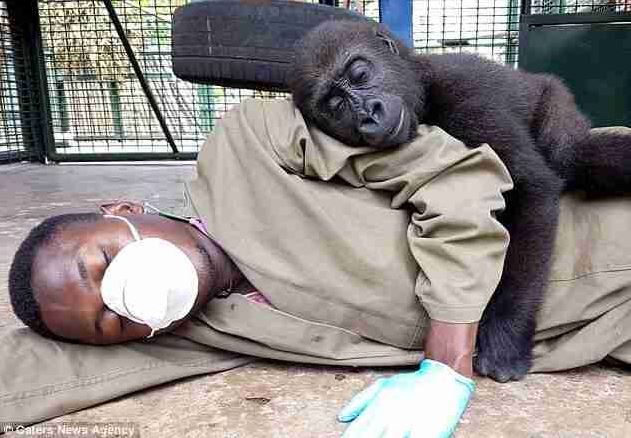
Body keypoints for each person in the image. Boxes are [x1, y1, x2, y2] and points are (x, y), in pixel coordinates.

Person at [2, 100, 631, 437]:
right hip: (602, 328)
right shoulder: (192, 328)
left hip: (595, 221)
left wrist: (446, 365)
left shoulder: (248, 144)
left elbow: (458, 176)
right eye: (113, 323)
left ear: (124, 209)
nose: (128, 297)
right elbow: (32, 370)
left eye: (105, 261)